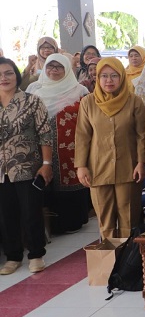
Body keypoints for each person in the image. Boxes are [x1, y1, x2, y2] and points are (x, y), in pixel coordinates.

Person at [75, 58, 145, 241]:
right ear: (97, 78)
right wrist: (81, 166)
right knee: (105, 222)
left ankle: (126, 265)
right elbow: (83, 135)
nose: (109, 80)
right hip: (98, 168)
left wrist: (141, 162)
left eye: (114, 75)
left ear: (122, 77)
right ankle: (108, 265)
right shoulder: (88, 103)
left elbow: (142, 135)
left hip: (128, 168)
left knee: (128, 220)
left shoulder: (134, 102)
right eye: (104, 76)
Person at [26, 53, 91, 234]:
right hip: (41, 148)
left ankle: (72, 221)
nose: (54, 70)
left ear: (67, 69)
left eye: (59, 67)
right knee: (46, 183)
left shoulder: (80, 91)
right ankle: (49, 226)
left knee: (70, 182)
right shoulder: (35, 90)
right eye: (50, 66)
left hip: (72, 148)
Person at [0, 58, 54, 275]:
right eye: (0, 74)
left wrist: (47, 164)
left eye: (8, 73)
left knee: (31, 212)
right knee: (5, 215)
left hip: (28, 167)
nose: (4, 78)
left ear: (17, 75)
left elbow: (45, 134)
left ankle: (36, 254)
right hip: (1, 172)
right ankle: (13, 257)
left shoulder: (32, 101)